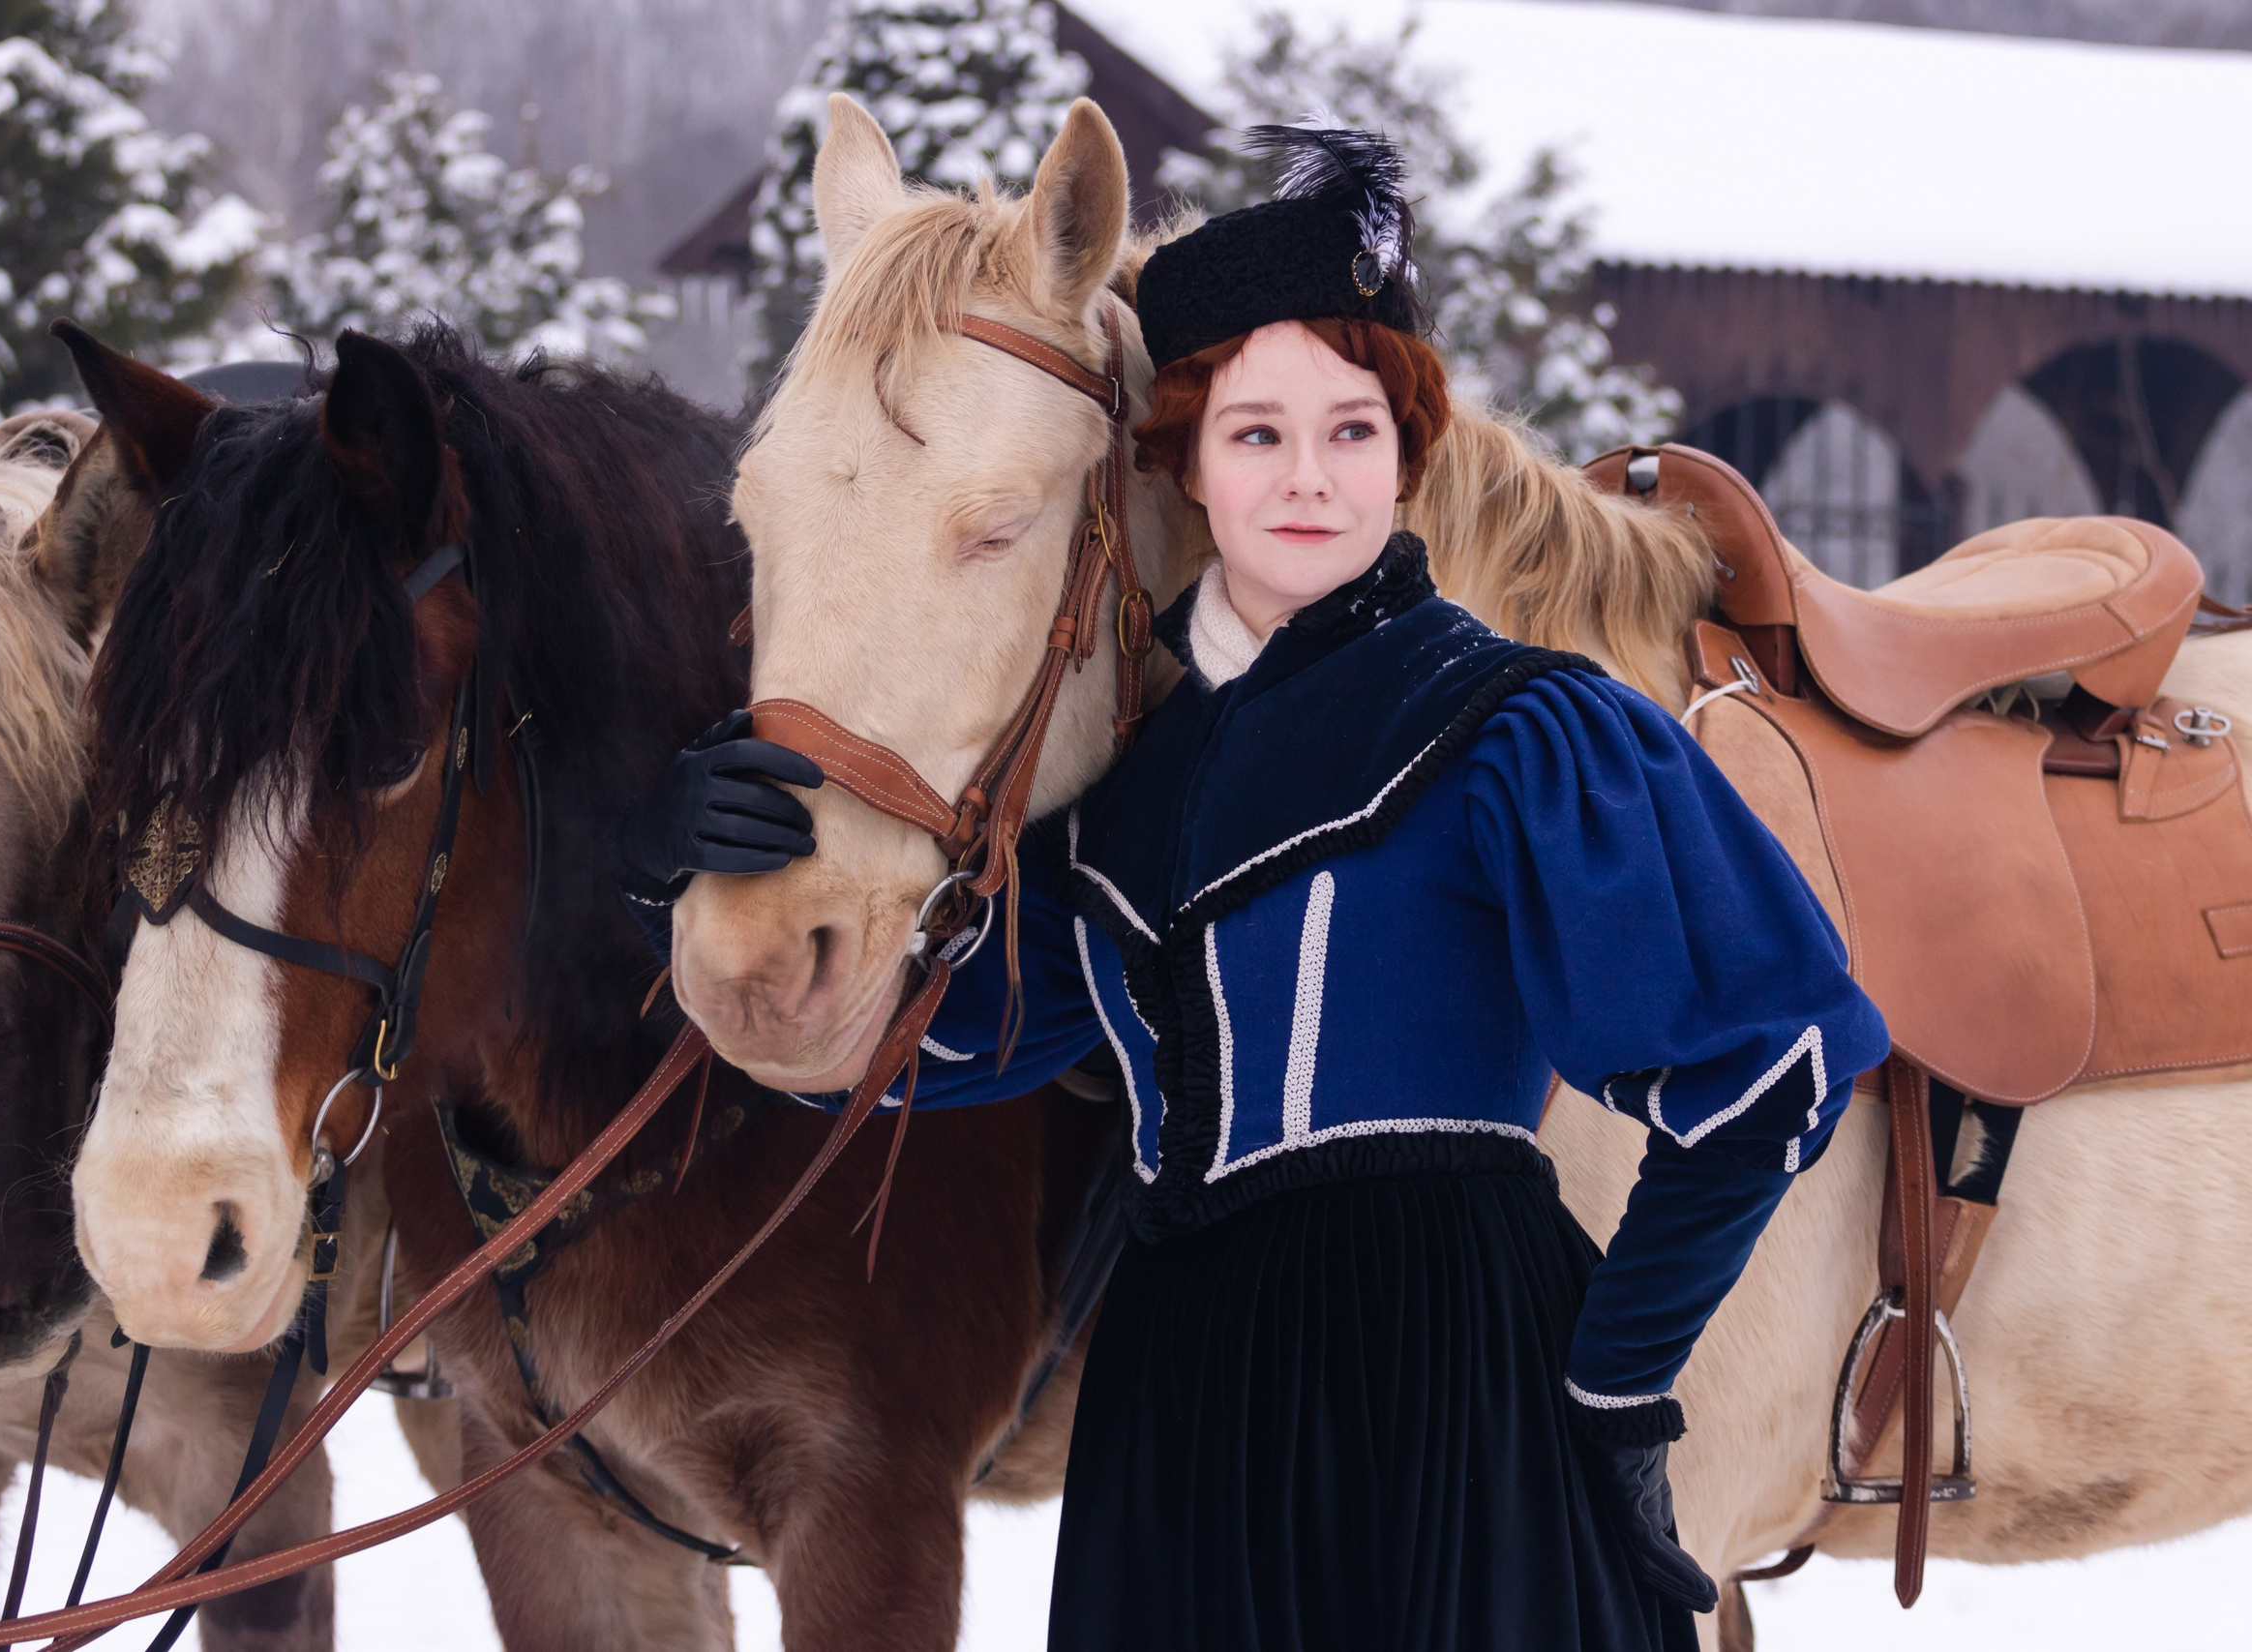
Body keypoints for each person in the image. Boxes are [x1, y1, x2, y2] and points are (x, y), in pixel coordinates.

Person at [623, 126, 1887, 1652]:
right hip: (1184, 1408)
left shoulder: (1522, 733)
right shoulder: (1131, 815)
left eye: (1353, 431)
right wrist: (695, 869)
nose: (1306, 479)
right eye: (1256, 434)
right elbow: (895, 1044)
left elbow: (1763, 1070)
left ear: (1405, 457)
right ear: (1184, 465)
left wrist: (1619, 1381)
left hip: (1451, 1400)